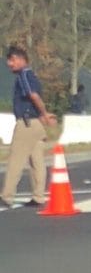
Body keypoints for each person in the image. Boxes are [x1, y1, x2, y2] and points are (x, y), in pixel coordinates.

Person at [1, 45, 57, 209]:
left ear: (19, 59)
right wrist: (43, 116)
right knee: (36, 161)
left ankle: (7, 195)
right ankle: (39, 196)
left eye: (11, 61)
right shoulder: (33, 75)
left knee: (16, 160)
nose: (9, 64)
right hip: (36, 124)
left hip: (26, 124)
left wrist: (45, 113)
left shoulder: (23, 75)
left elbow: (33, 96)